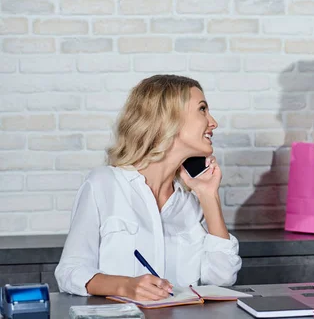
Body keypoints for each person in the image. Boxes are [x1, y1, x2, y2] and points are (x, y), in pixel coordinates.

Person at [55, 75, 242, 300]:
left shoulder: (190, 202)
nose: (213, 122)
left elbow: (222, 278)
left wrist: (209, 196)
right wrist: (125, 286)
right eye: (202, 109)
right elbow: (69, 272)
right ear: (168, 118)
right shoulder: (103, 184)